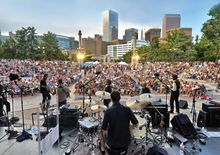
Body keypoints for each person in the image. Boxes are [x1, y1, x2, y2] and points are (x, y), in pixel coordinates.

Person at [100, 91, 138, 155]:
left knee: (101, 131)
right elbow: (136, 123)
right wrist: (128, 126)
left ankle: (103, 148)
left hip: (112, 143)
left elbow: (103, 128)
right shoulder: (127, 109)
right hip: (126, 142)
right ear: (120, 98)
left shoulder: (108, 111)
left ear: (111, 99)